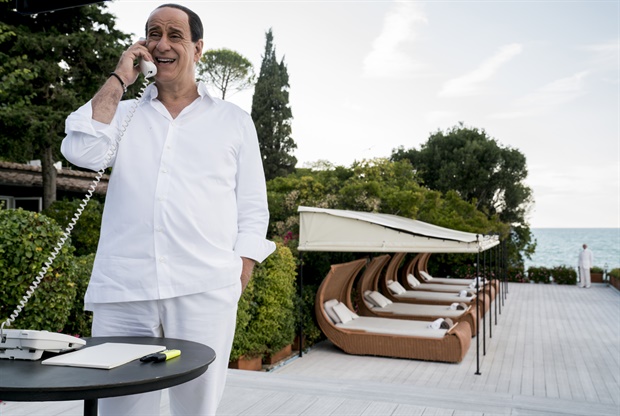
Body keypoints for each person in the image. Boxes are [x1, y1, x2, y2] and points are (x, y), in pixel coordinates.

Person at [61, 3, 275, 415]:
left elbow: (252, 207)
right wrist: (120, 77)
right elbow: (82, 150)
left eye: (175, 35)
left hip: (205, 290)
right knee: (119, 410)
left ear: (198, 49)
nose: (162, 44)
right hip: (124, 291)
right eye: (153, 34)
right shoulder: (121, 113)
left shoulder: (233, 121)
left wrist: (239, 274)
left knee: (196, 410)